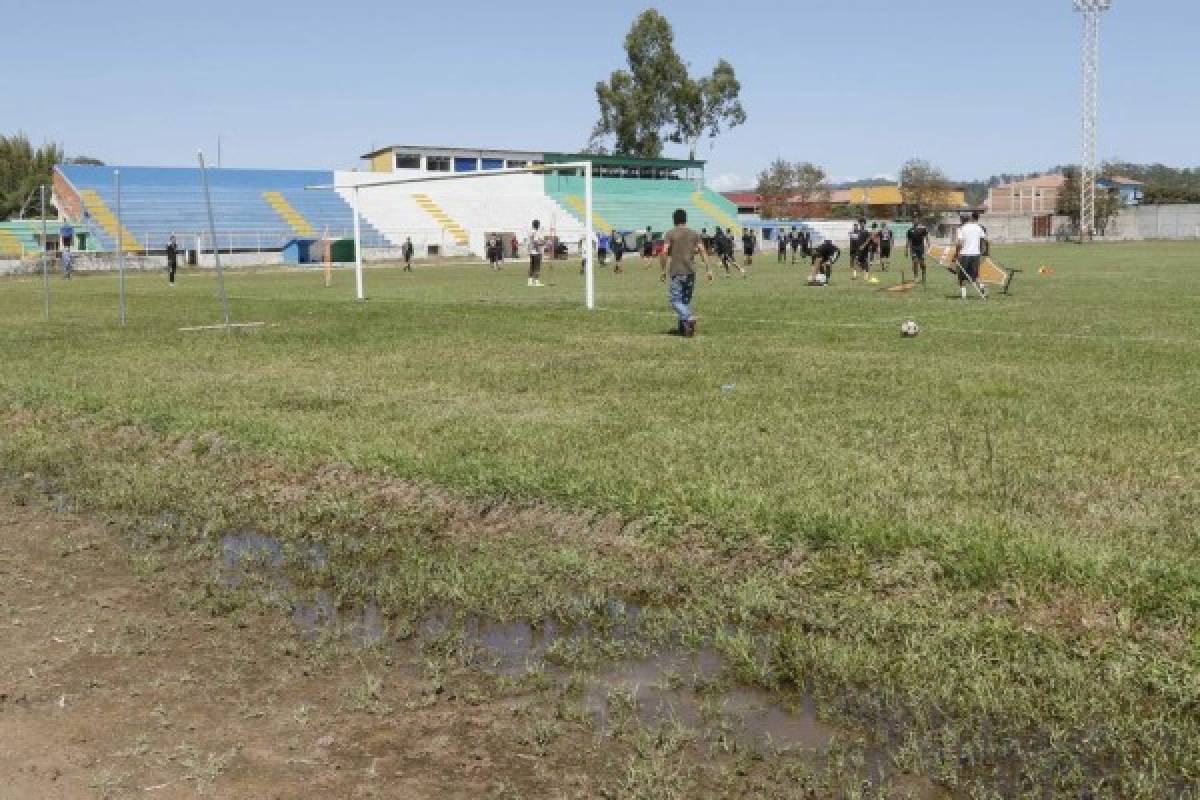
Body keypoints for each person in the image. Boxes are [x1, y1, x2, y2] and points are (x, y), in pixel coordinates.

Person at [660, 208, 712, 337]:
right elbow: (703, 251)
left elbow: (664, 252)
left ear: (674, 220)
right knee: (685, 301)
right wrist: (709, 269)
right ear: (685, 219)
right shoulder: (694, 234)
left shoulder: (670, 234)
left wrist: (662, 270)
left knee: (675, 300)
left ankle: (688, 318)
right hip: (691, 272)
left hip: (677, 271)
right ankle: (684, 330)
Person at [952, 211, 988, 300]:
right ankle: (982, 287)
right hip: (976, 255)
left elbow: (959, 243)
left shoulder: (961, 228)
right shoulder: (978, 227)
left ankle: (964, 296)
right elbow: (983, 240)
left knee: (962, 276)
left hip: (964, 255)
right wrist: (982, 251)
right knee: (975, 275)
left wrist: (956, 254)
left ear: (962, 220)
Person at [905, 220, 929, 284]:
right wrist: (906, 250)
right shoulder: (910, 230)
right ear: (912, 223)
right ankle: (916, 278)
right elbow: (908, 240)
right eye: (914, 221)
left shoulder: (922, 229)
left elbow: (926, 237)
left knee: (922, 264)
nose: (915, 222)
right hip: (913, 248)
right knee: (915, 262)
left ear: (918, 223)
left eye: (916, 221)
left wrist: (928, 244)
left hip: (921, 248)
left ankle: (923, 276)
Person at [527, 219, 546, 287]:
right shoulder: (535, 232)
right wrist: (545, 243)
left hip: (531, 252)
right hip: (536, 252)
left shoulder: (530, 232)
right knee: (537, 267)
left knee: (532, 267)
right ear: (537, 225)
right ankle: (537, 282)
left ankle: (530, 282)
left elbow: (531, 242)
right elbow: (536, 242)